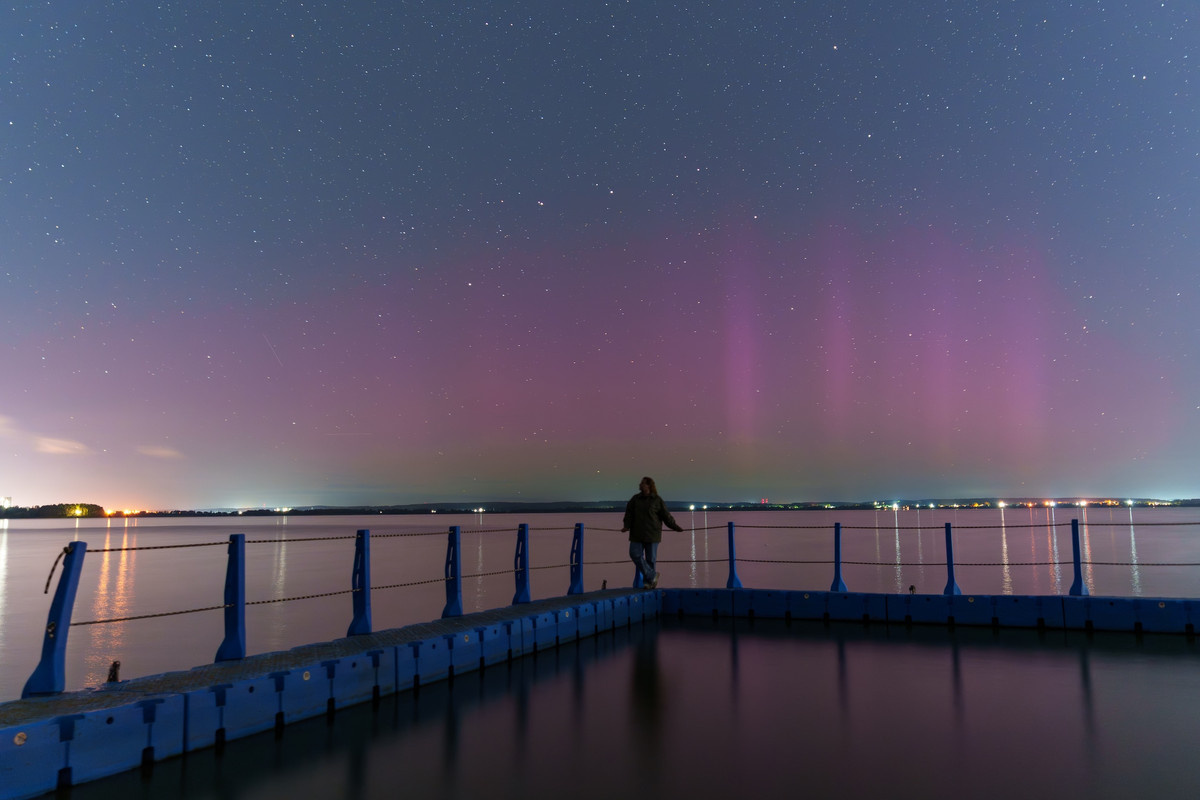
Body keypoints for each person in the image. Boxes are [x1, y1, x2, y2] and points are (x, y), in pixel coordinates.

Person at [621, 476, 683, 589]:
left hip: (652, 533)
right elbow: (629, 513)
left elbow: (666, 516)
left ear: (649, 486)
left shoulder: (657, 500)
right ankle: (652, 575)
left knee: (651, 559)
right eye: (641, 483)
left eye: (643, 483)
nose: (640, 485)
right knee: (634, 554)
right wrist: (626, 526)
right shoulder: (635, 499)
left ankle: (648, 583)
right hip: (636, 533)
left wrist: (675, 527)